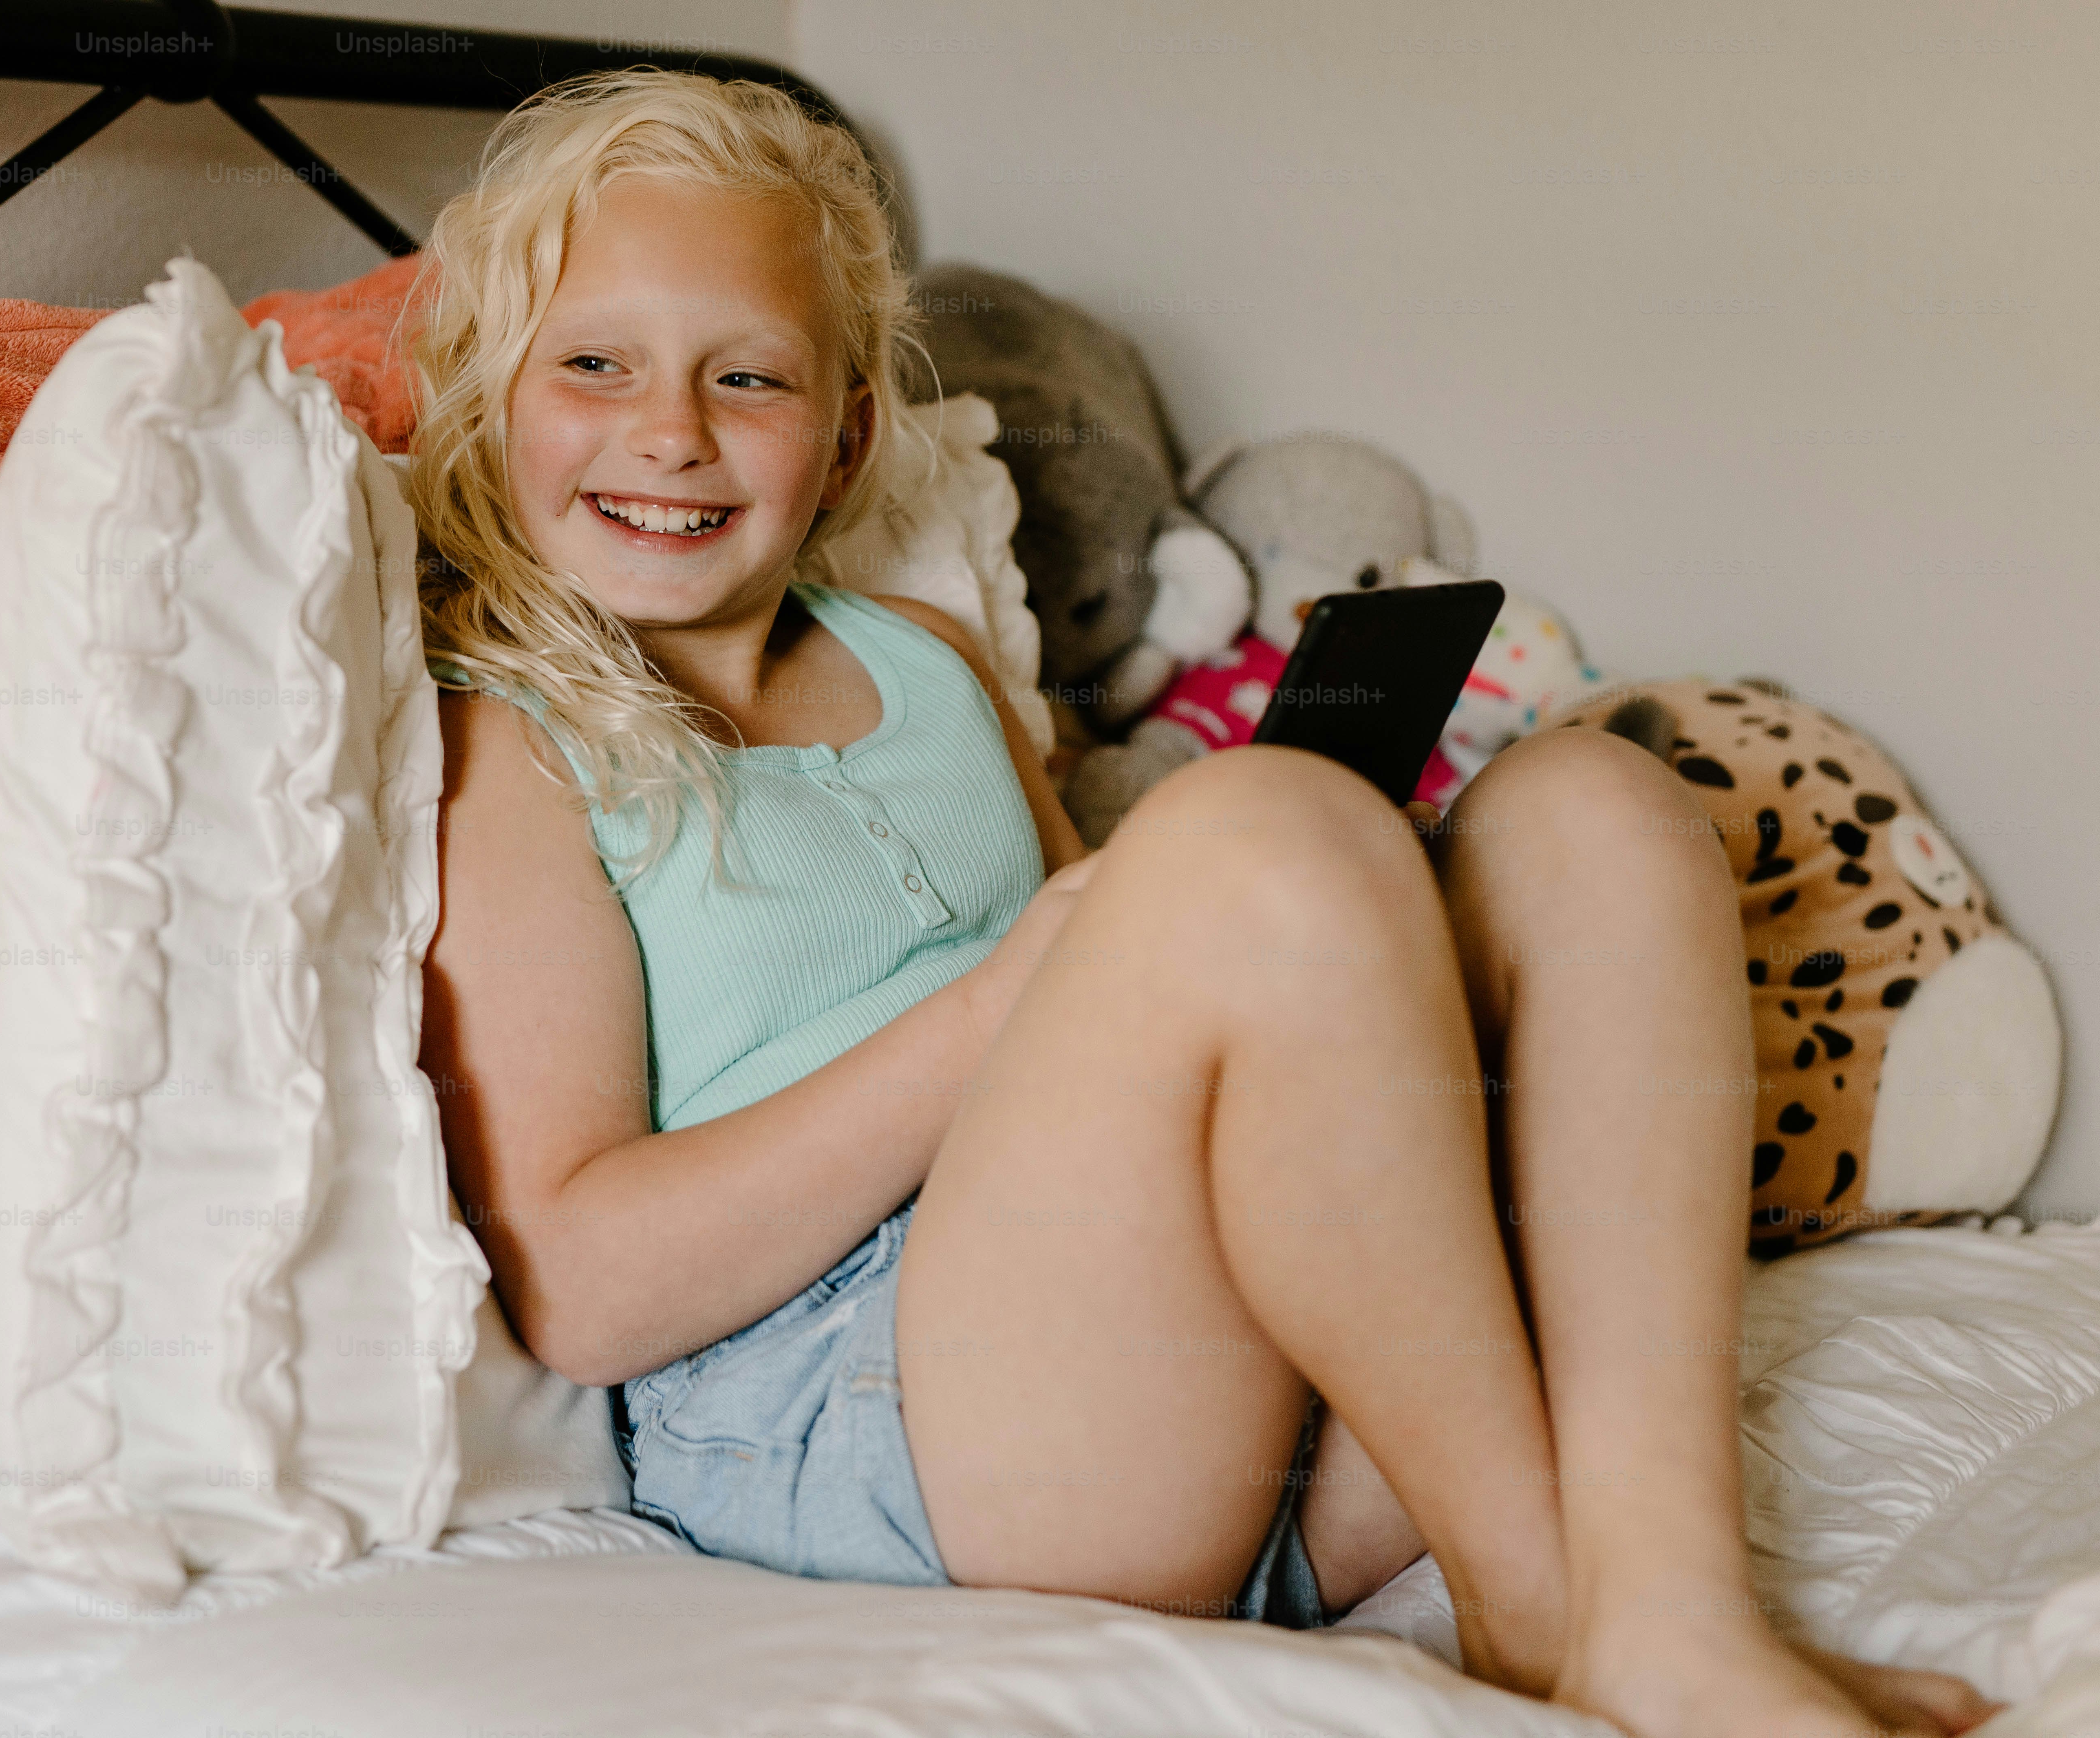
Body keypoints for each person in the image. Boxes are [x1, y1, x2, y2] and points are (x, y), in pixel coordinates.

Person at [410, 68, 1994, 1738]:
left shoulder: (926, 662)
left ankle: (1676, 1607)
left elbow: (1114, 976)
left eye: (750, 376)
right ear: (491, 394)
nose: (673, 431)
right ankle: (1545, 1605)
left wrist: (1270, 919)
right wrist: (1003, 1005)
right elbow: (583, 1284)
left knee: (1597, 809)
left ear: (851, 428)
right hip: (895, 1432)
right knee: (1240, 844)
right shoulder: (516, 737)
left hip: (1223, 1395)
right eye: (595, 365)